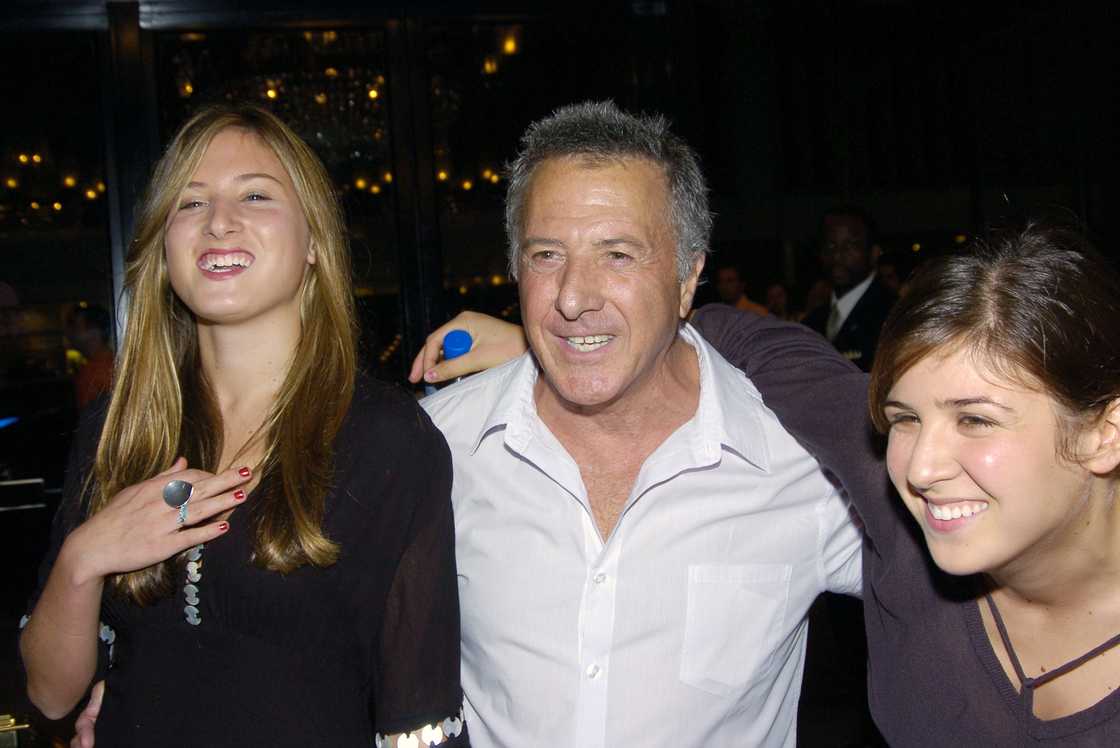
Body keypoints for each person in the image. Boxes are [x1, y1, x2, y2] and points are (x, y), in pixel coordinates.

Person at [19, 104, 466, 748]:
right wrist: (83, 558)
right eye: (190, 203)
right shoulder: (116, 429)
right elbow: (50, 695)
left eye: (255, 195)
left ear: (314, 243)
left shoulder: (390, 440)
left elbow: (418, 716)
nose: (220, 221)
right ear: (164, 247)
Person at [418, 101, 861, 747]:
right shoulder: (439, 448)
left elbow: (984, 602)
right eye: (546, 255)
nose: (573, 295)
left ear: (688, 278)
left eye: (618, 255)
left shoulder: (799, 462)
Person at [802, 206, 895, 371]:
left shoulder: (892, 315)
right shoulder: (812, 321)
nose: (837, 255)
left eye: (850, 246)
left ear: (873, 253)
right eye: (830, 246)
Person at [65, 304, 115, 408]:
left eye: (76, 328)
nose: (69, 333)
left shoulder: (97, 371)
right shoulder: (109, 363)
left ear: (94, 332)